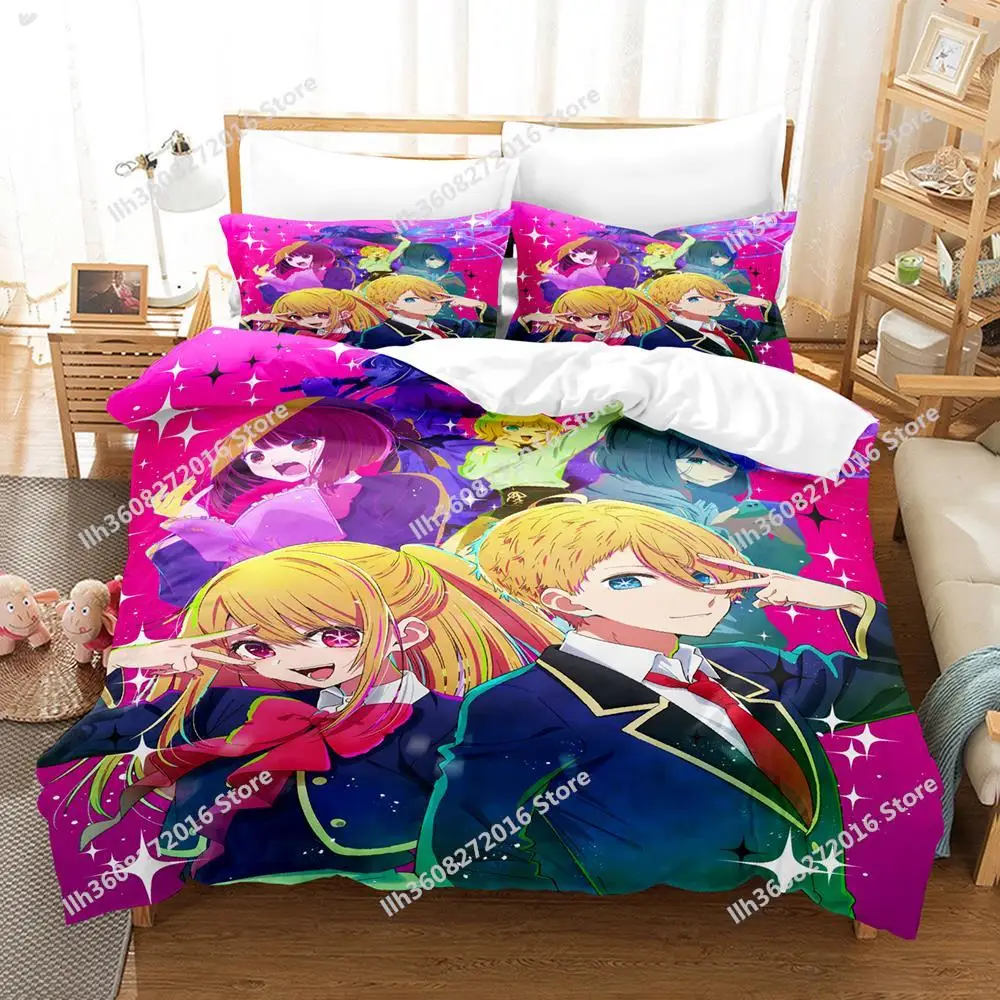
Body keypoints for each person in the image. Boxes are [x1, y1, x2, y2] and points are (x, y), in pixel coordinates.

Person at [418, 500, 909, 908]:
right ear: (566, 603)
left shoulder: (751, 665)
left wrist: (849, 603)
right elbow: (469, 843)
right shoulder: (525, 702)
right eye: (630, 580)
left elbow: (887, 687)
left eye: (696, 572)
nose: (689, 591)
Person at [146, 398, 450, 607]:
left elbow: (393, 563)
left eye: (302, 443)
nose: (278, 460)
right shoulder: (252, 505)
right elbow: (181, 590)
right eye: (256, 457)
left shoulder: (400, 490)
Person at [444, 403, 622, 550]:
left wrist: (615, 408)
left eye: (536, 428)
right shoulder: (487, 453)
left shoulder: (550, 449)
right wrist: (505, 450)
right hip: (512, 505)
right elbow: (471, 472)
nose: (526, 433)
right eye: (512, 427)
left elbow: (586, 433)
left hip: (552, 502)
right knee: (470, 541)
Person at [640, 273, 772, 361]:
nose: (712, 302)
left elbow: (776, 331)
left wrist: (764, 303)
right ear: (674, 306)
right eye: (694, 299)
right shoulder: (660, 339)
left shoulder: (734, 326)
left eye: (716, 297)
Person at [359, 274, 497, 347]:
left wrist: (478, 304)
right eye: (411, 299)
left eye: (432, 297)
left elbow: (494, 333)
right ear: (390, 306)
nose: (429, 302)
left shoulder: (449, 325)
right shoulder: (378, 335)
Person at [514, 287, 666, 345]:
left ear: (625, 315)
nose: (588, 322)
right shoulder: (567, 337)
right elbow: (515, 345)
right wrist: (529, 318)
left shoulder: (640, 342)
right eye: (576, 318)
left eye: (601, 316)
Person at [264, 288, 386, 339]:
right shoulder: (300, 333)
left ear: (344, 315)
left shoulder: (359, 338)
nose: (308, 321)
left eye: (320, 315)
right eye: (296, 317)